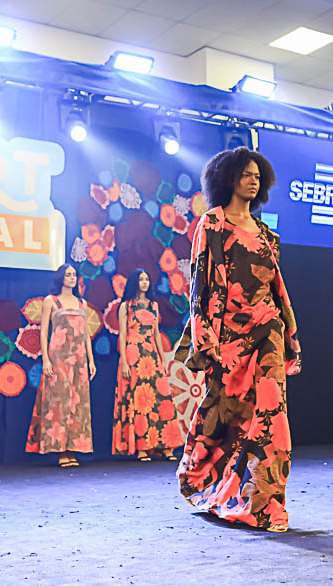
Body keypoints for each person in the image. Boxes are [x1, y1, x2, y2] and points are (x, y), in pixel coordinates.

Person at [174, 147, 302, 532]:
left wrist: (286, 329)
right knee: (229, 416)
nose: (253, 180)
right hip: (230, 336)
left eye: (257, 176)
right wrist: (205, 336)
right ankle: (220, 489)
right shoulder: (212, 224)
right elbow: (201, 284)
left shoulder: (266, 234)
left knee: (272, 417)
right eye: (246, 174)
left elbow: (276, 286)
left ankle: (266, 504)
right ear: (228, 178)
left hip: (268, 331)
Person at [26, 264, 96, 467]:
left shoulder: (82, 303)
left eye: (74, 275)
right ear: (61, 278)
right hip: (59, 357)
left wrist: (91, 360)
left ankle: (73, 448)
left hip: (79, 359)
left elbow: (86, 334)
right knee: (58, 402)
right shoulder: (51, 301)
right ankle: (60, 450)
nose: (72, 278)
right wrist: (45, 359)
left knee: (78, 403)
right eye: (68, 275)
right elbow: (43, 331)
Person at [112, 269, 182, 461]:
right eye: (141, 279)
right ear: (134, 282)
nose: (145, 282)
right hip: (134, 355)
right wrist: (124, 362)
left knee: (161, 398)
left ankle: (166, 446)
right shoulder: (126, 306)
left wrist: (163, 358)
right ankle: (142, 447)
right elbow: (123, 335)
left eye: (147, 279)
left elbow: (156, 333)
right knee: (140, 399)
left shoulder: (154, 306)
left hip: (151, 354)